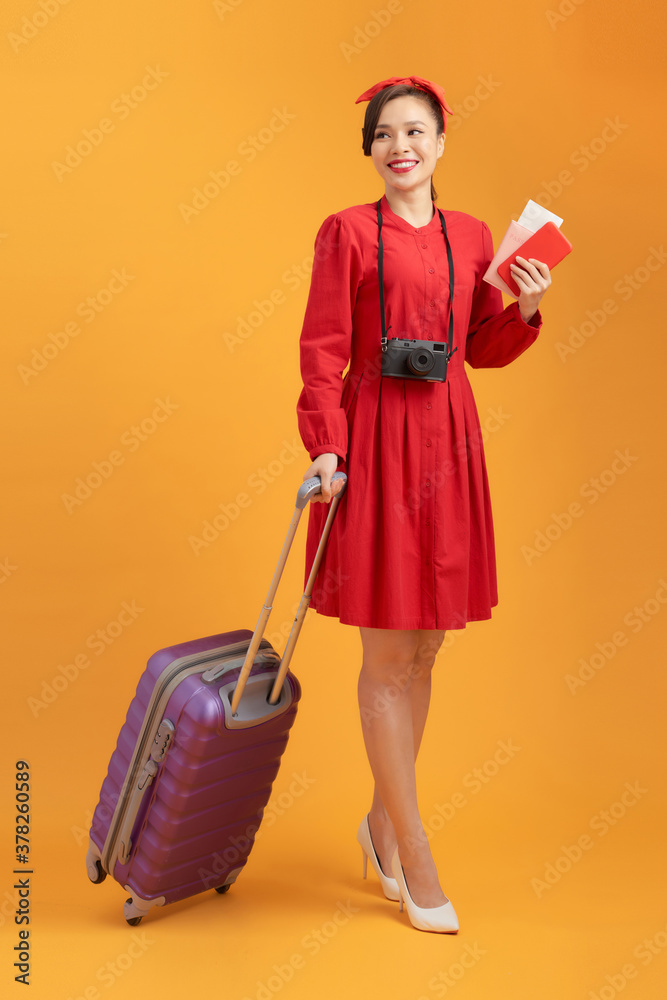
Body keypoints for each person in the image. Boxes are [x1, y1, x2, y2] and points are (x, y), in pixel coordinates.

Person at [295, 75, 551, 933]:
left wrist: (527, 305)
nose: (399, 145)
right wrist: (326, 446)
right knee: (383, 653)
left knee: (426, 650)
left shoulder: (472, 235)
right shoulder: (343, 233)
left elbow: (479, 345)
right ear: (369, 151)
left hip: (447, 437)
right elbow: (322, 349)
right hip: (373, 442)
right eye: (383, 134)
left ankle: (377, 824)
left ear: (440, 144)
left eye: (415, 131)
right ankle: (413, 844)